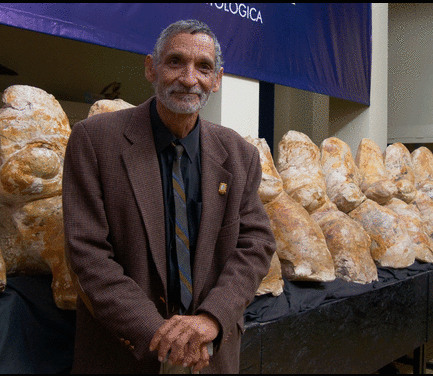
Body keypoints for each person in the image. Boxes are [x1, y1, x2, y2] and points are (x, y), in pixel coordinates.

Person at [62, 19, 275, 374]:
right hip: (126, 351)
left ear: (217, 79)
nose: (189, 78)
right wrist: (156, 332)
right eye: (176, 62)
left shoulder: (240, 155)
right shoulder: (94, 141)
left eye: (203, 67)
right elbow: (86, 253)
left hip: (209, 354)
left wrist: (212, 318)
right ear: (151, 68)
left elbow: (255, 245)